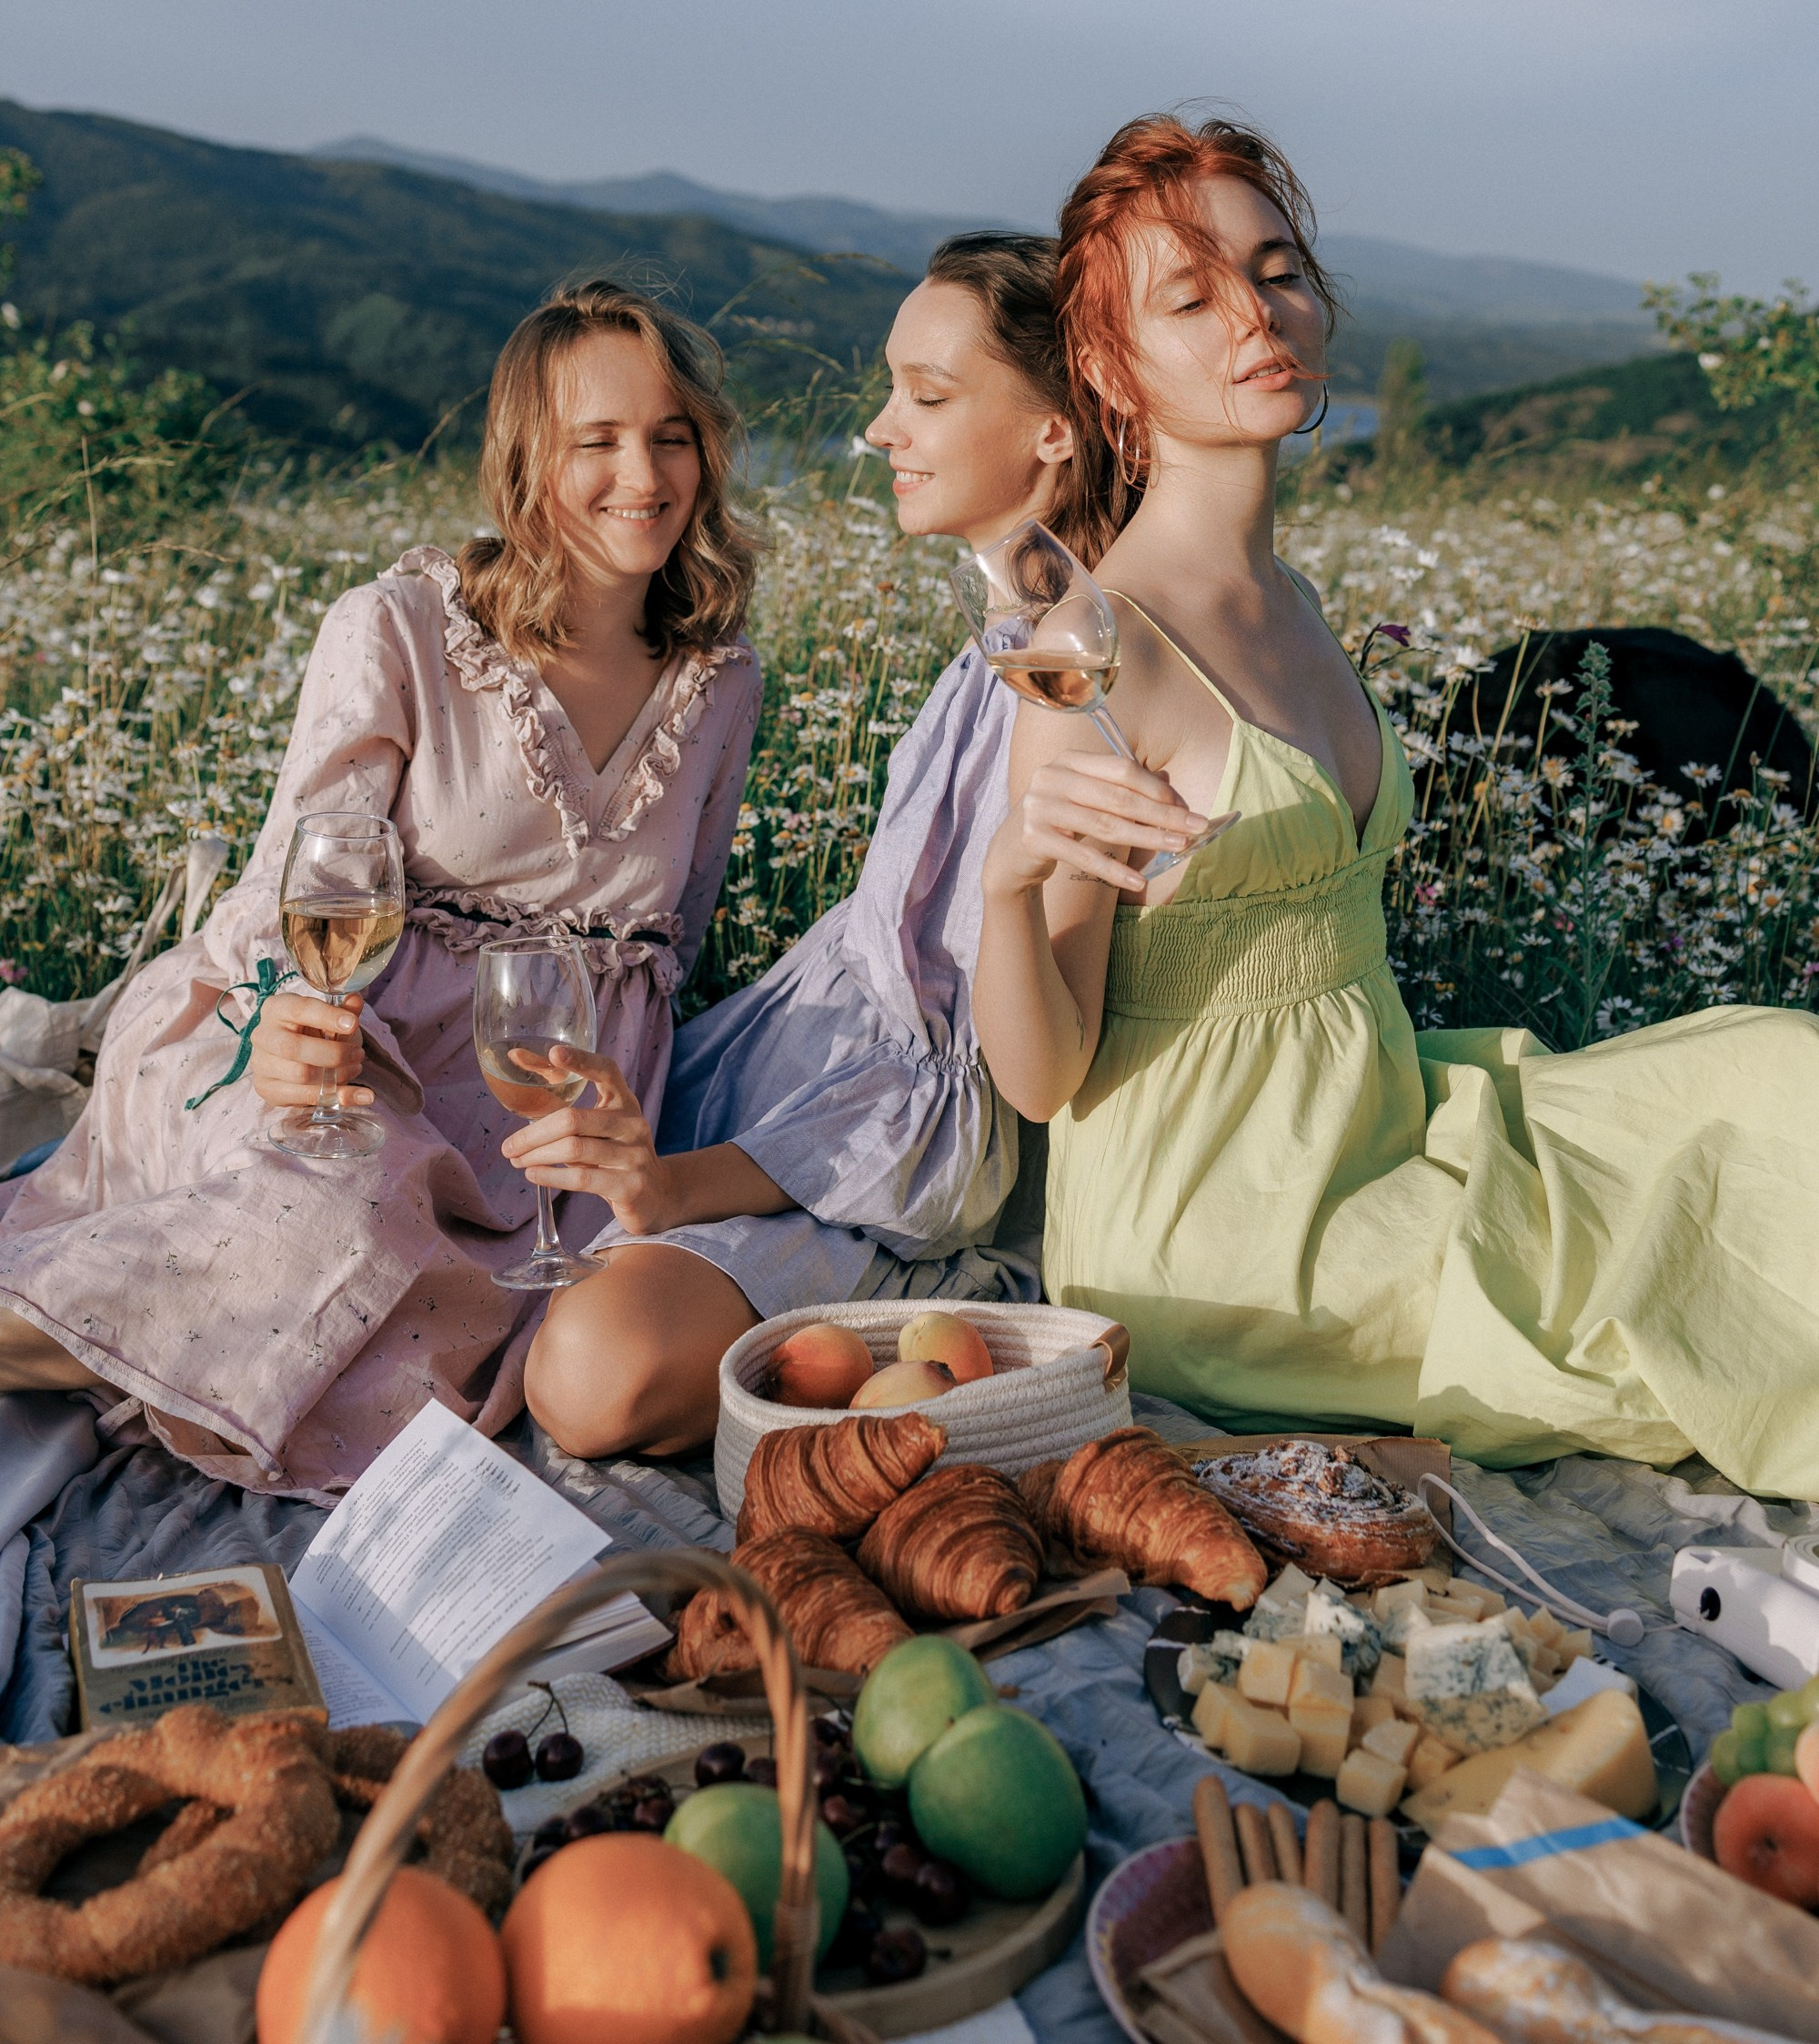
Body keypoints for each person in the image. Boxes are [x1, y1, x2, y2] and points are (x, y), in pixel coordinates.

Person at [973, 112, 1819, 1499]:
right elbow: (1044, 1075)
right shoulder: (1098, 646)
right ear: (1115, 372)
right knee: (1659, 1302)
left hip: (1387, 1120)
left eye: (1280, 269)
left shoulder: (1290, 601)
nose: (1259, 313)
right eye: (1192, 297)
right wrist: (1009, 881)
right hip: (1232, 1234)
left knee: (1778, 1072)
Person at [0, 278, 763, 1500]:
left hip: (539, 1116)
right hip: (344, 1043)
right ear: (526, 460)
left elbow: (675, 941)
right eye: (598, 442)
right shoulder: (401, 630)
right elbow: (290, 898)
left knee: (460, 1321)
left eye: (671, 435)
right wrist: (283, 1029)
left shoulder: (725, 682)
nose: (646, 474)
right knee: (331, 1223)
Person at [521, 233, 1123, 1463]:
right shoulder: (1005, 643)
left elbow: (996, 1093)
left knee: (589, 1377)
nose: (880, 430)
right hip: (783, 1084)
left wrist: (678, 1189)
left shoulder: (1073, 677)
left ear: (1056, 429)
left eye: (928, 395)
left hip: (879, 1187)